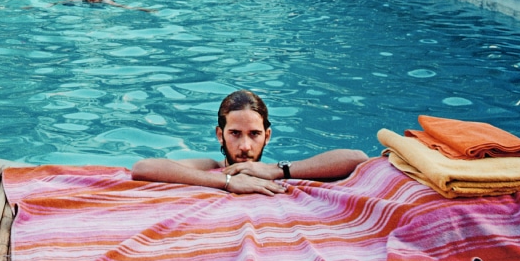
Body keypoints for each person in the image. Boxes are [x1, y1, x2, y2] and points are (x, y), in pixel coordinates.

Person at [131, 90, 368, 194]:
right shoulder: (211, 168)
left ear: (267, 136)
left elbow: (357, 159)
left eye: (254, 134)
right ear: (219, 135)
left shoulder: (279, 172)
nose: (245, 146)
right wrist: (226, 182)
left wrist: (277, 170)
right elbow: (144, 168)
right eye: (235, 133)